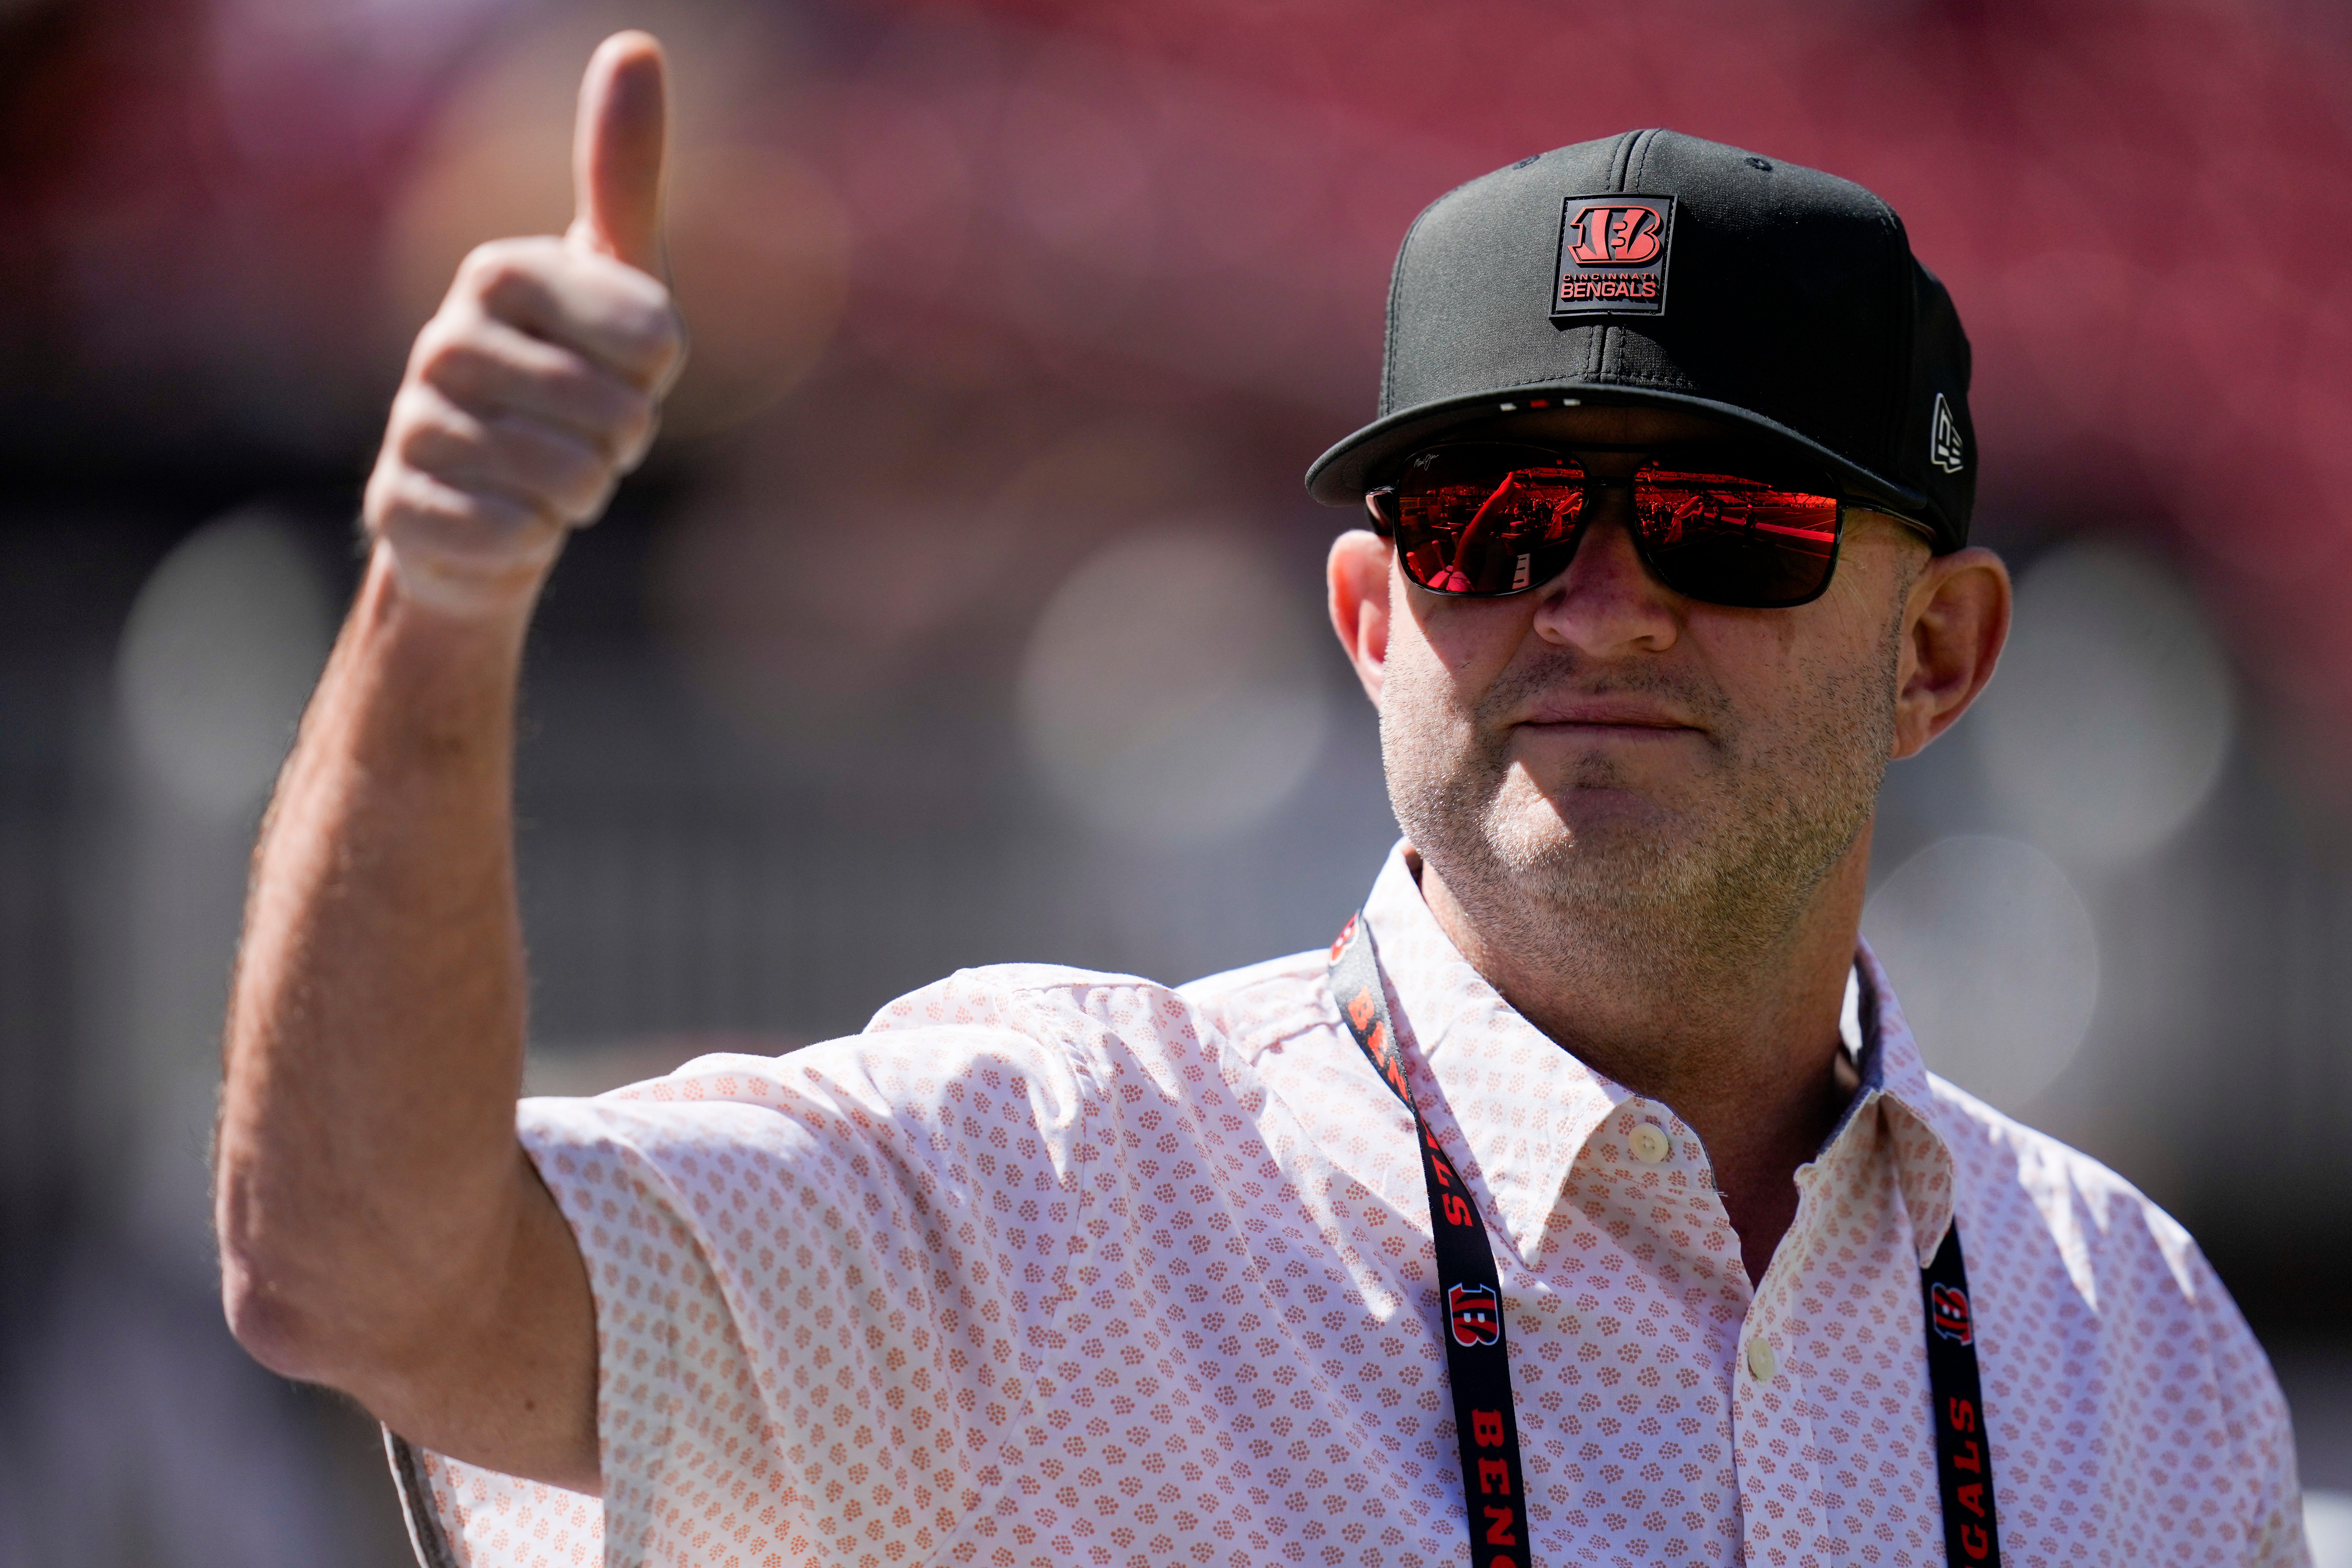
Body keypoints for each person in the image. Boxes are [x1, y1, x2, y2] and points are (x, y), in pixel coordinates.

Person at [214, 31, 2311, 1568]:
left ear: (1938, 656)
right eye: (1491, 520)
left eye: (1720, 519)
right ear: (1377, 620)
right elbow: (362, 1279)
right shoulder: (1043, 1192)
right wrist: (442, 597)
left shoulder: (2135, 1339)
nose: (1596, 605)